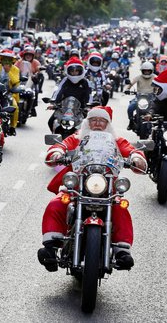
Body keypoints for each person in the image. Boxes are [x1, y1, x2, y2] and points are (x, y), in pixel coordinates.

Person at [38, 106, 148, 272]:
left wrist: (136, 157)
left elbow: (130, 150)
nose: (97, 124)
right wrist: (57, 153)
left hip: (106, 187)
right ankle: (51, 248)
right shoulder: (78, 137)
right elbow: (62, 146)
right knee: (57, 204)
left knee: (120, 207)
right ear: (87, 122)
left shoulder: (116, 140)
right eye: (93, 120)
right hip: (78, 185)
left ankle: (122, 251)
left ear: (108, 124)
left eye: (102, 121)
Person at [47, 57, 91, 132]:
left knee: (89, 125)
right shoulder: (65, 80)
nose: (74, 73)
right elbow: (58, 91)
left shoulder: (85, 82)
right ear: (68, 71)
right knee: (51, 122)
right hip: (64, 109)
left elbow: (89, 95)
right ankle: (54, 137)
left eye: (77, 71)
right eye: (72, 71)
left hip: (80, 110)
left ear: (81, 71)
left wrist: (89, 106)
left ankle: (83, 141)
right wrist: (54, 103)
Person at [125, 60, 155, 130]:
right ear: (142, 71)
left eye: (148, 71)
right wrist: (127, 89)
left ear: (151, 71)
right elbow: (131, 83)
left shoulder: (155, 77)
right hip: (139, 97)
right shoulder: (139, 77)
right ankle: (131, 122)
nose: (147, 72)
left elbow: (160, 85)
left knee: (156, 109)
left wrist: (159, 91)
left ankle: (155, 126)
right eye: (145, 71)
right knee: (130, 108)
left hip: (151, 98)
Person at [0, 49, 20, 135]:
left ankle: (12, 127)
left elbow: (15, 81)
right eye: (4, 59)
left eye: (8, 59)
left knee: (15, 107)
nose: (6, 61)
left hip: (9, 93)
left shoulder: (15, 69)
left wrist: (8, 71)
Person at [15, 46, 41, 116]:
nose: (28, 56)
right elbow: (14, 68)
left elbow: (39, 69)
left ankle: (32, 107)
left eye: (30, 55)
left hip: (31, 81)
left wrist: (37, 73)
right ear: (24, 55)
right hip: (20, 80)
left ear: (33, 56)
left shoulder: (36, 62)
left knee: (36, 91)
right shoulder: (19, 62)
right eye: (27, 54)